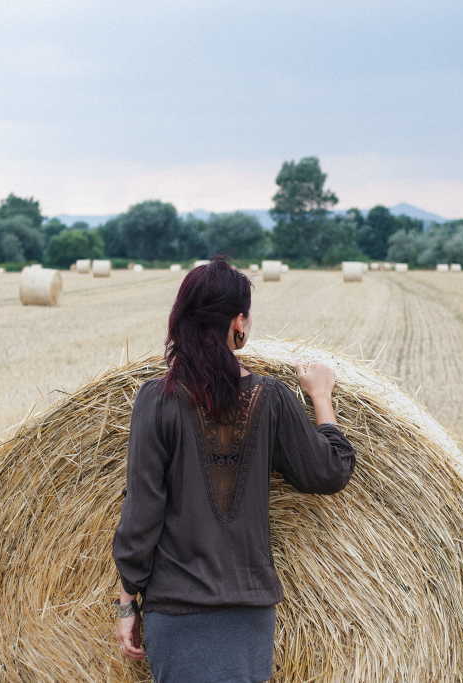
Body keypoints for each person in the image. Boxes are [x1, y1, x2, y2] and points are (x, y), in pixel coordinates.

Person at [111, 255, 357, 683]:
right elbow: (327, 472)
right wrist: (321, 398)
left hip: (176, 607)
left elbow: (141, 512)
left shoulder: (156, 399)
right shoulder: (271, 397)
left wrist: (127, 600)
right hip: (247, 610)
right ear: (238, 322)